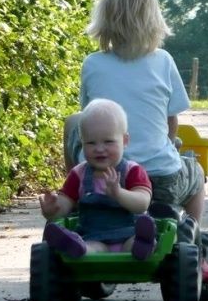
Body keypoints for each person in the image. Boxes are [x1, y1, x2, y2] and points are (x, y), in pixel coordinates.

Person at [67, 0, 208, 282]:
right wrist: (168, 143)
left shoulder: (93, 64)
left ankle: (75, 196)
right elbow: (171, 123)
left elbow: (92, 119)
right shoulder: (163, 61)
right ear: (154, 19)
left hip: (101, 175)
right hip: (159, 178)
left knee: (74, 125)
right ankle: (190, 239)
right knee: (195, 177)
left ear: (104, 19)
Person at [39, 99, 157, 260]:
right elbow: (65, 205)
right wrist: (53, 210)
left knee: (134, 242)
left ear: (125, 141)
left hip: (129, 235)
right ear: (82, 143)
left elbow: (142, 203)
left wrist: (118, 193)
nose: (99, 149)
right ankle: (75, 246)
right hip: (95, 238)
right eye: (91, 143)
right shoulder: (78, 174)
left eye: (108, 141)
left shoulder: (132, 170)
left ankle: (143, 245)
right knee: (89, 248)